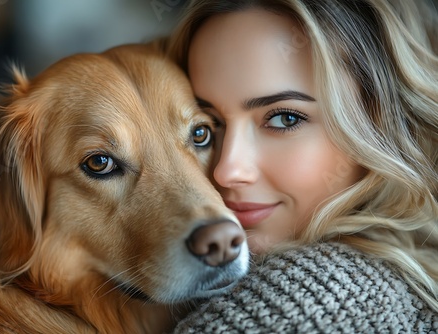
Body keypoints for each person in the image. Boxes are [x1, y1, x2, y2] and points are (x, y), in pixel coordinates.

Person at [166, 0, 438, 332]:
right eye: (204, 127)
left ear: (381, 123)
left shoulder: (303, 303)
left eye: (284, 118)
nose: (227, 170)